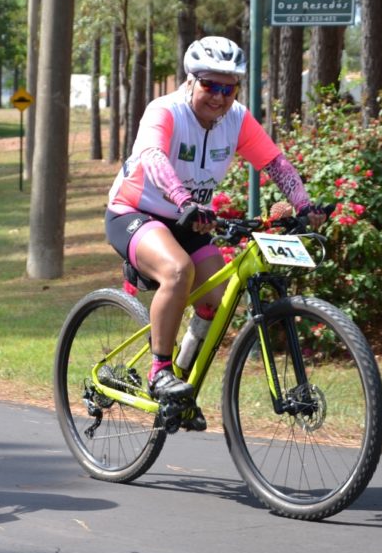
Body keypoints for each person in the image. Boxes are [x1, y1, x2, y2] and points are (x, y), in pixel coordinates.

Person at [105, 36, 326, 426]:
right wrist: (182, 199)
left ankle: (181, 387)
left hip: (190, 221)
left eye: (229, 87)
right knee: (176, 270)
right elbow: (153, 157)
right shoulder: (165, 111)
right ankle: (160, 371)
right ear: (190, 80)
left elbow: (275, 163)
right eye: (211, 85)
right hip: (135, 211)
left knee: (217, 303)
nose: (220, 96)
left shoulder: (236, 118)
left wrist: (304, 204)